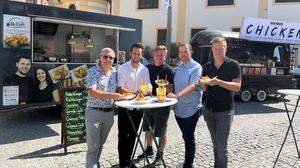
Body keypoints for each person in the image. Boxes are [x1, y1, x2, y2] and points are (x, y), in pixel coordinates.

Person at [198, 37, 241, 168]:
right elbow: (204, 87)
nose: (218, 51)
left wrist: (218, 82)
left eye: (221, 48)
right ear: (212, 49)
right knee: (216, 144)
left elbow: (237, 86)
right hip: (209, 110)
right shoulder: (207, 66)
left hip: (225, 111)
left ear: (225, 49)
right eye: (216, 48)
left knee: (222, 146)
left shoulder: (233, 65)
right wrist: (202, 84)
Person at [85, 48, 125, 168]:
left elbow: (119, 89)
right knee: (93, 147)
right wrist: (114, 96)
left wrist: (134, 93)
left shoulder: (114, 72)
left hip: (109, 114)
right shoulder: (92, 71)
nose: (107, 59)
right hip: (94, 113)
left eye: (110, 57)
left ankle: (95, 164)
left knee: (100, 144)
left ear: (113, 60)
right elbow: (93, 92)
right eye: (105, 57)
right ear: (100, 57)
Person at [137, 45, 174, 166]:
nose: (159, 57)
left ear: (165, 56)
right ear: (153, 56)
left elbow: (171, 89)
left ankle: (160, 154)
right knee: (148, 128)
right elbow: (142, 82)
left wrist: (166, 88)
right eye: (157, 55)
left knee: (161, 132)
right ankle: (149, 149)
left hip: (162, 105)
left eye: (162, 55)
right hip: (148, 103)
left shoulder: (169, 70)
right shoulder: (147, 68)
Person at [167, 43, 203, 168]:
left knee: (189, 137)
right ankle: (188, 161)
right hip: (179, 109)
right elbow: (175, 86)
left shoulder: (196, 67)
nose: (183, 54)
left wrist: (177, 96)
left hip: (192, 109)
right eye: (181, 52)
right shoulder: (179, 66)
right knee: (185, 135)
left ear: (191, 52)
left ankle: (188, 164)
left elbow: (194, 86)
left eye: (185, 51)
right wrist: (169, 91)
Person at [117, 42, 152, 168]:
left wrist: (149, 89)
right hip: (125, 107)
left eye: (139, 53)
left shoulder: (145, 69)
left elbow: (148, 85)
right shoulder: (123, 68)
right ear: (131, 53)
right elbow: (120, 88)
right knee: (123, 136)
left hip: (138, 107)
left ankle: (128, 161)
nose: (137, 55)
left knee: (133, 135)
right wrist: (133, 93)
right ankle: (123, 163)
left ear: (141, 55)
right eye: (134, 53)